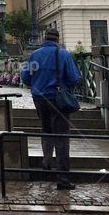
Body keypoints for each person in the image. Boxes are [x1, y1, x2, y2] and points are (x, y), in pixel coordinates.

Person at [21, 27, 81, 190]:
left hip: (39, 99)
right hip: (57, 98)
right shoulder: (63, 54)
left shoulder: (34, 55)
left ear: (44, 38)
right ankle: (63, 179)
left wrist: (38, 85)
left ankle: (46, 163)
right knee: (61, 137)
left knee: (46, 130)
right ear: (57, 39)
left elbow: (25, 78)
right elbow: (74, 78)